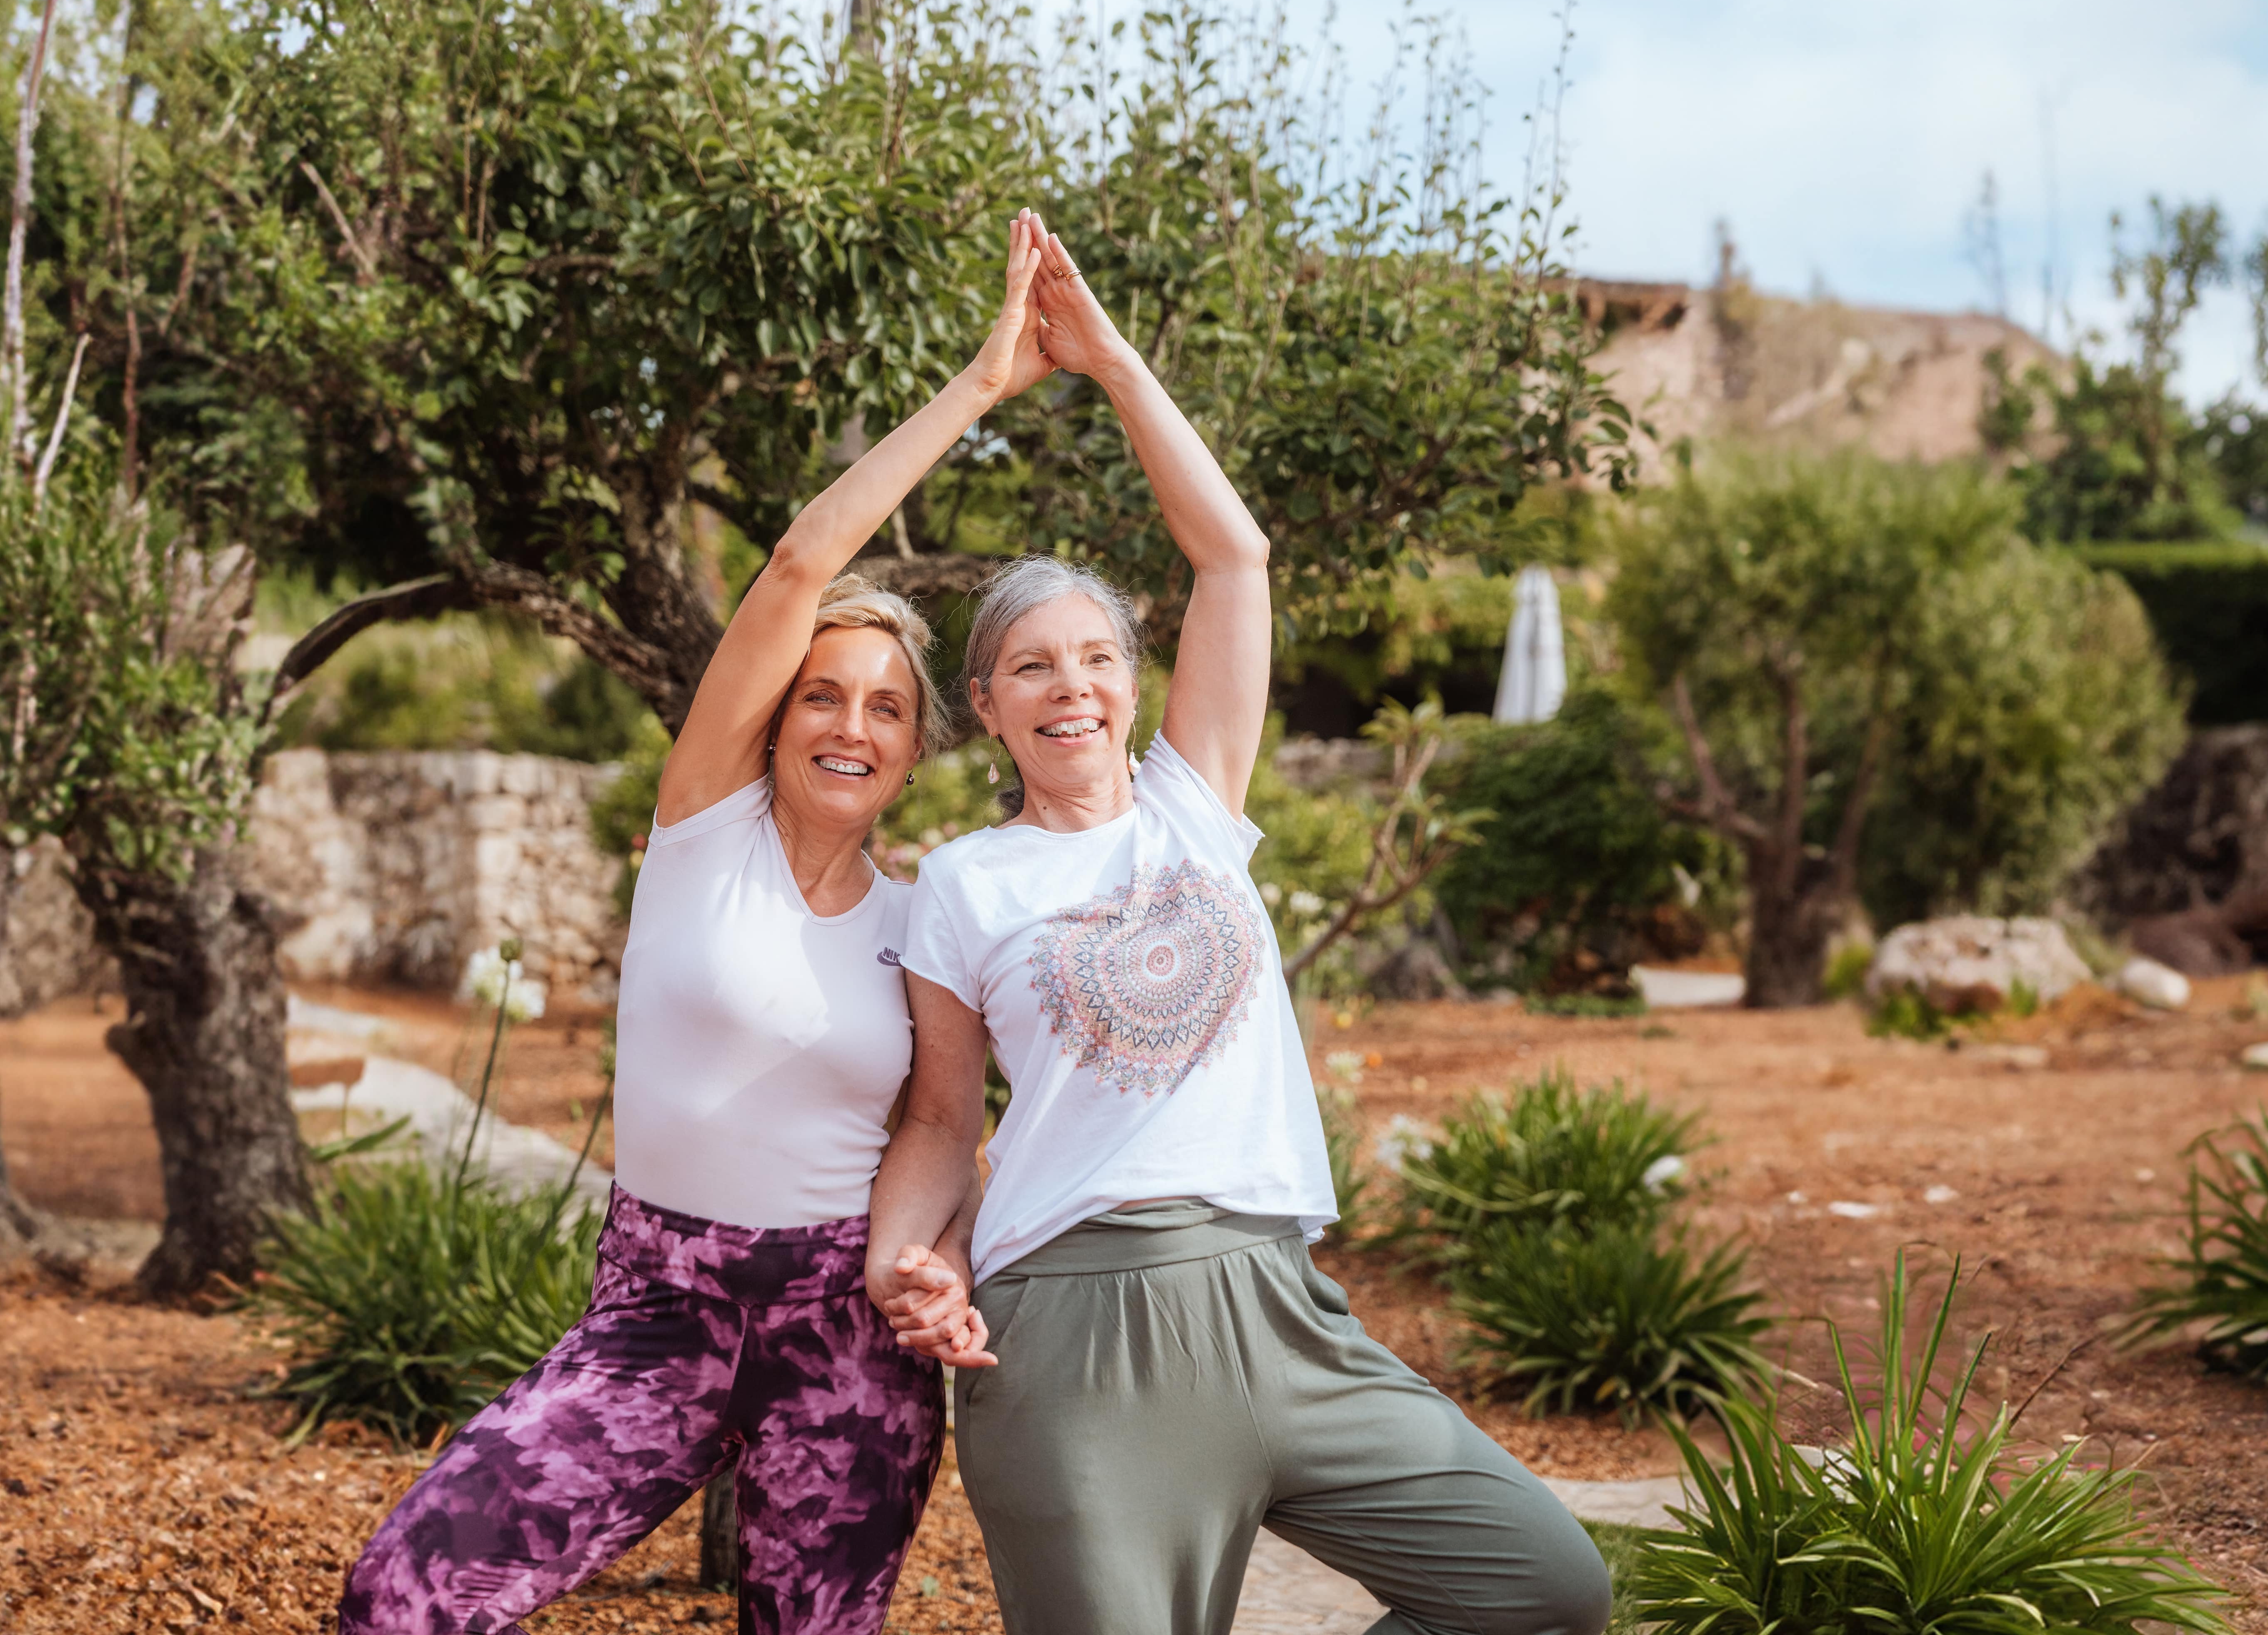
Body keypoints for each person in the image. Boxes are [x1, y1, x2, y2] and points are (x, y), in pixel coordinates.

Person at [866, 217, 1614, 1635]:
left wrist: (1109, 364)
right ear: (991, 707)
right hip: (1076, 1331)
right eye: (1032, 666)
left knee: (1541, 1586)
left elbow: (1236, 557)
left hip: (1280, 1307)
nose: (1069, 686)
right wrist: (907, 1267)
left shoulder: (1192, 806)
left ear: (1135, 690)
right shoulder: (962, 881)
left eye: (1096, 658)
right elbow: (938, 1124)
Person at [339, 216, 1050, 1635]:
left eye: (887, 710)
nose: (850, 723)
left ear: (915, 753)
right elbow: (798, 568)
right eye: (824, 696)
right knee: (409, 1591)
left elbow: (943, 1128)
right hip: (658, 1305)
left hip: (845, 1331)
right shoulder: (701, 834)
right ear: (776, 720)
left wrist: (935, 1263)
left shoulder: (928, 918)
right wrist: (978, 389)